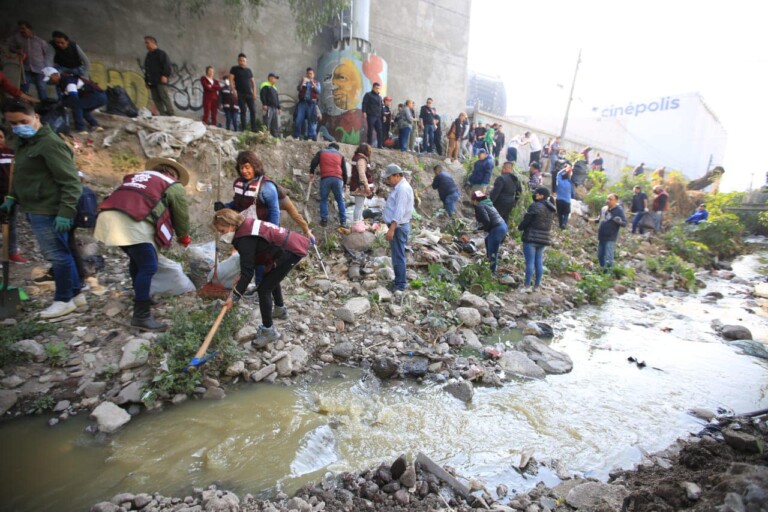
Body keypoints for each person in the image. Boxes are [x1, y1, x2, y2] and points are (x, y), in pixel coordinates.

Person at [0, 99, 83, 318]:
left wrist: (66, 212)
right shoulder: (24, 143)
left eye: (23, 121)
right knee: (64, 253)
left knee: (57, 256)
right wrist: (12, 196)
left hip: (49, 209)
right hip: (35, 206)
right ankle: (75, 294)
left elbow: (71, 181)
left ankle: (63, 299)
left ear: (36, 117)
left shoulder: (49, 144)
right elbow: (24, 177)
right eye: (13, 123)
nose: (19, 126)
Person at [95, 157, 191, 329]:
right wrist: (183, 236)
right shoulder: (172, 185)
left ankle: (142, 295)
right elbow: (181, 214)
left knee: (137, 260)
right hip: (131, 221)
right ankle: (141, 315)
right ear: (173, 173)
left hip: (108, 217)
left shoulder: (138, 177)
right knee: (148, 266)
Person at [214, 208, 309, 347]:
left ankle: (269, 331)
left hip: (290, 251)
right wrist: (240, 277)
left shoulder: (244, 239)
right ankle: (280, 310)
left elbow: (248, 272)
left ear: (231, 225)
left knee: (264, 289)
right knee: (270, 278)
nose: (221, 235)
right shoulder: (245, 226)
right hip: (288, 245)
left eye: (222, 231)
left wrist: (233, 298)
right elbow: (248, 263)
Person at [42, 67, 106, 134]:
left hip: (96, 96)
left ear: (54, 75)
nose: (50, 82)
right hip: (99, 96)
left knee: (77, 106)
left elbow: (73, 97)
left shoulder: (68, 80)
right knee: (83, 110)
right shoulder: (63, 82)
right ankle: (96, 125)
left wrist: (63, 104)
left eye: (50, 79)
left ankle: (81, 129)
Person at [382, 164, 414, 292]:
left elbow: (399, 211)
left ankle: (400, 284)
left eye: (390, 178)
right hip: (398, 226)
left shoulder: (402, 189)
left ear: (397, 175)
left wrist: (392, 228)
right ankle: (398, 281)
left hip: (398, 227)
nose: (389, 181)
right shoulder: (399, 187)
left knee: (398, 256)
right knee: (396, 255)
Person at [517, 187, 556, 288]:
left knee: (530, 262)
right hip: (544, 239)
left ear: (541, 196)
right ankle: (537, 285)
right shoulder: (551, 208)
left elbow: (527, 220)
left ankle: (526, 285)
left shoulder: (535, 206)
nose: (535, 195)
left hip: (531, 238)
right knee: (538, 262)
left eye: (537, 194)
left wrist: (520, 227)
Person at [0, 127, 28, 263]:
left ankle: (11, 252)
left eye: (0, 137)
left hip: (10, 196)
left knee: (11, 224)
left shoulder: (11, 154)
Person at [7, 21, 50, 101]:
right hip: (26, 67)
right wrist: (17, 51)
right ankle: (21, 104)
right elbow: (10, 46)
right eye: (20, 28)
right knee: (24, 86)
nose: (21, 30)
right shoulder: (17, 38)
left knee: (41, 87)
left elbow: (46, 52)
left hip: (39, 68)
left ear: (29, 29)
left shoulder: (40, 41)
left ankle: (44, 105)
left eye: (23, 28)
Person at [309, 143, 348, 227]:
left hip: (325, 178)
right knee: (340, 200)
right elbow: (344, 171)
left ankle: (324, 220)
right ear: (337, 149)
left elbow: (313, 162)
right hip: (337, 179)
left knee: (324, 199)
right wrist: (345, 183)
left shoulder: (322, 152)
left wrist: (312, 172)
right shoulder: (340, 155)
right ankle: (343, 221)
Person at [472, 190, 507, 274]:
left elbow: (486, 220)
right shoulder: (489, 204)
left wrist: (481, 229)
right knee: (487, 240)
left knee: (493, 251)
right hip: (503, 226)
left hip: (497, 229)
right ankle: (488, 262)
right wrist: (481, 229)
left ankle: (492, 272)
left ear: (475, 200)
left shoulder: (480, 206)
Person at [143, 36, 174, 116]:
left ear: (153, 42)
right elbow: (147, 69)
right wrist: (146, 81)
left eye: (147, 42)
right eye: (145, 43)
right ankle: (163, 114)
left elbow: (167, 65)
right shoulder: (148, 56)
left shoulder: (161, 54)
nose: (146, 45)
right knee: (156, 99)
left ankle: (171, 114)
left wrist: (165, 75)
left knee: (164, 97)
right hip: (152, 81)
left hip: (160, 80)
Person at [596, 193, 627, 269]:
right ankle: (603, 270)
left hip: (610, 237)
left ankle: (608, 274)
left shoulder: (619, 210)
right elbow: (599, 219)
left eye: (610, 199)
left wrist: (619, 221)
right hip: (601, 235)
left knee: (609, 257)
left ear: (616, 200)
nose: (608, 201)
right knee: (600, 255)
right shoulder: (604, 209)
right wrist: (588, 220)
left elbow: (624, 223)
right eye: (607, 199)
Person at [229, 53, 257, 132]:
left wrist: (254, 93)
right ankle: (244, 129)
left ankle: (253, 129)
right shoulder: (234, 69)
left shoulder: (249, 70)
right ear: (238, 61)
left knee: (253, 110)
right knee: (243, 111)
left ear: (246, 61)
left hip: (249, 94)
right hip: (240, 93)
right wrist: (233, 90)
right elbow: (230, 80)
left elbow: (253, 83)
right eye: (240, 60)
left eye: (243, 61)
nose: (242, 62)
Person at [349, 143, 374, 223]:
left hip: (356, 185)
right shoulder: (361, 159)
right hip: (359, 187)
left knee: (360, 206)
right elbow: (362, 174)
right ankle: (357, 223)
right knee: (359, 206)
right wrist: (366, 187)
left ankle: (359, 222)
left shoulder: (356, 157)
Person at [293, 67, 321, 140]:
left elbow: (318, 91)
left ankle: (310, 137)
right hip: (302, 103)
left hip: (312, 104)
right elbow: (298, 89)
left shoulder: (317, 83)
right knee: (299, 119)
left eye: (311, 73)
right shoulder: (303, 81)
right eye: (308, 73)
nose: (309, 75)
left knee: (311, 120)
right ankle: (296, 136)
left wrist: (313, 83)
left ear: (313, 75)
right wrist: (302, 82)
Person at [362, 82, 384, 148]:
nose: (378, 89)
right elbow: (364, 103)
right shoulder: (368, 95)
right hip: (371, 115)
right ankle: (369, 144)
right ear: (373, 87)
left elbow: (381, 106)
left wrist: (383, 115)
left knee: (380, 130)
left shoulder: (379, 97)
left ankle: (380, 145)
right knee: (370, 130)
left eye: (378, 88)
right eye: (376, 88)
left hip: (378, 116)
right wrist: (364, 112)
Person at [259, 72, 281, 137]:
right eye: (275, 78)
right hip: (268, 107)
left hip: (275, 108)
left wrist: (279, 107)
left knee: (275, 123)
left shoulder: (274, 88)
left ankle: (275, 136)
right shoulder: (265, 85)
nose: (276, 80)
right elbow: (262, 95)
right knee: (267, 122)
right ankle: (265, 136)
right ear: (270, 78)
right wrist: (264, 104)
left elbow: (277, 98)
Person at [555, 163, 575, 229]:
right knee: (566, 213)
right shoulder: (570, 184)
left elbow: (558, 174)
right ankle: (564, 223)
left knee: (560, 213)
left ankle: (560, 225)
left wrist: (565, 169)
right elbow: (573, 194)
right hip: (567, 201)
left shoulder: (560, 181)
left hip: (559, 200)